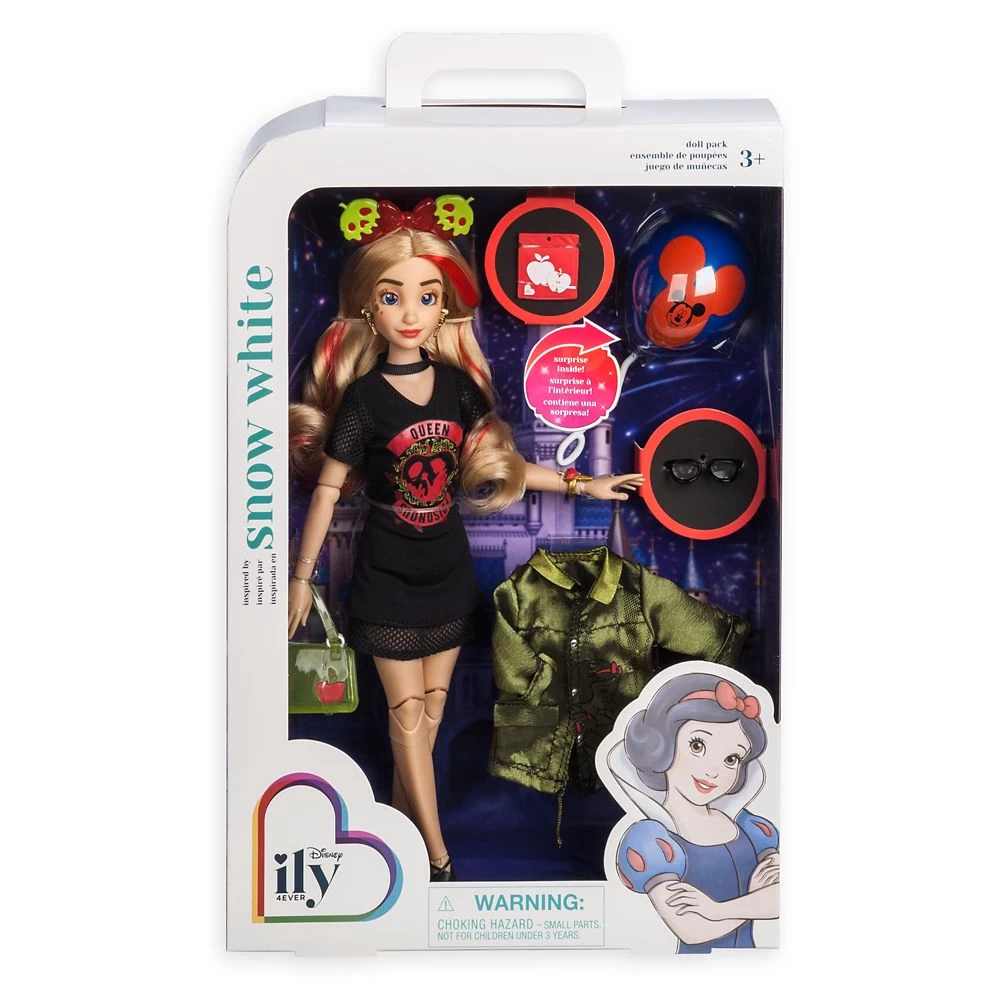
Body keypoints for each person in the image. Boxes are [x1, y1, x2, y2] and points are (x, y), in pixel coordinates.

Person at [288, 196, 644, 881]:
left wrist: (582, 484)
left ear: (444, 305)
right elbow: (329, 490)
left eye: (426, 296)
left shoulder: (456, 388)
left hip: (446, 573)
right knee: (407, 720)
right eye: (393, 296)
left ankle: (395, 840)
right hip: (386, 576)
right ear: (369, 308)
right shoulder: (363, 401)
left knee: (430, 717)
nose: (411, 312)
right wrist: (302, 578)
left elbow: (500, 464)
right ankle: (438, 854)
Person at [607, 671, 779, 951]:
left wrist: (716, 910)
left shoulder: (749, 827)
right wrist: (756, 900)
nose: (713, 771)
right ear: (662, 744)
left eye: (731, 758)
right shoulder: (650, 840)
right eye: (698, 745)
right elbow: (692, 930)